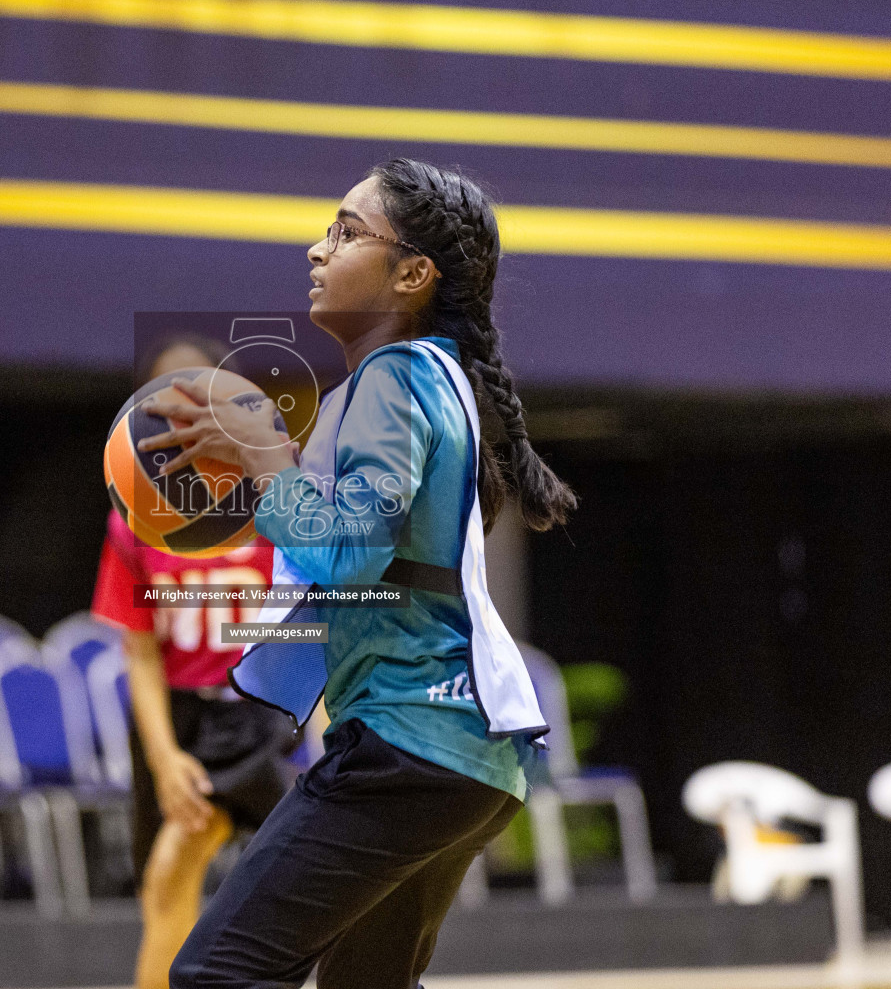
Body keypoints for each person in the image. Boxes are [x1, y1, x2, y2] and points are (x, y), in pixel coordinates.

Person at [143, 159, 575, 988]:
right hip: (469, 754)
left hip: (410, 740)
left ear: (413, 274)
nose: (317, 249)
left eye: (345, 232)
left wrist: (264, 457)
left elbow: (352, 553)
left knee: (215, 972)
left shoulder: (394, 377)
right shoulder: (432, 381)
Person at [93, 338, 291, 989]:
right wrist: (162, 757)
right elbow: (139, 652)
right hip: (177, 719)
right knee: (165, 886)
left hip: (256, 712)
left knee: (208, 875)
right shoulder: (134, 517)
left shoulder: (269, 503)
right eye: (161, 403)